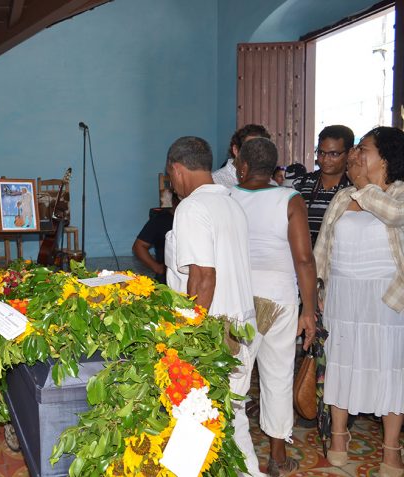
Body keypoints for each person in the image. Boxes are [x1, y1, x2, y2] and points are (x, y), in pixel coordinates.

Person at [164, 136, 263, 477]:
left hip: (212, 332)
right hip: (241, 326)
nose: (172, 185)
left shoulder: (192, 207)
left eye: (170, 178)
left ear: (177, 170)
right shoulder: (231, 203)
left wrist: (190, 338)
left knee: (193, 417)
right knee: (232, 416)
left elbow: (203, 277)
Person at [314, 126, 404, 477]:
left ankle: (391, 450)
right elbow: (323, 247)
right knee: (341, 363)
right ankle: (338, 438)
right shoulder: (343, 196)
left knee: (391, 371)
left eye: (363, 149)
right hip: (343, 297)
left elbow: (393, 216)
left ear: (385, 157)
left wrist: (363, 186)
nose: (354, 155)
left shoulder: (397, 193)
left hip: (385, 301)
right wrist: (317, 293)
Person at [230, 138, 317, 476]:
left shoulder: (229, 198)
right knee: (278, 375)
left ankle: (234, 454)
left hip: (240, 301)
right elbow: (305, 260)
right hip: (280, 301)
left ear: (243, 166)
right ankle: (277, 456)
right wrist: (308, 311)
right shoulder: (289, 199)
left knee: (235, 378)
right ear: (276, 169)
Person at [293, 125, 354, 245]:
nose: (325, 159)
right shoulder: (300, 184)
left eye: (334, 154)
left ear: (350, 153)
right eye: (321, 152)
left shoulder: (355, 188)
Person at [132, 194, 176, 284]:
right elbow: (138, 246)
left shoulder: (194, 219)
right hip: (166, 279)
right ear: (174, 202)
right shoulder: (161, 220)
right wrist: (158, 268)